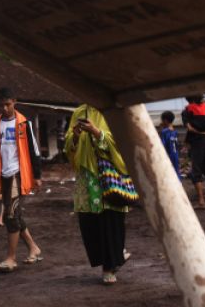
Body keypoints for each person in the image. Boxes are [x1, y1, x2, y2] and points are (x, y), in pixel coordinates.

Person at [66, 104, 130, 286]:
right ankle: (115, 255)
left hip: (109, 173)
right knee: (90, 222)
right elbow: (68, 144)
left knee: (111, 219)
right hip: (87, 176)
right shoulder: (78, 112)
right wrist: (76, 136)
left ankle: (109, 267)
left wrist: (96, 132)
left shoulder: (114, 111)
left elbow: (122, 140)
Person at [0, 87, 43, 272]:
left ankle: (11, 258)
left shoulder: (23, 123)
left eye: (8, 104)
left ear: (15, 102)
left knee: (11, 215)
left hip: (18, 174)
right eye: (1, 105)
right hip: (3, 175)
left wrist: (37, 175)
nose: (4, 108)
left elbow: (34, 150)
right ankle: (33, 248)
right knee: (15, 214)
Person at [182, 96, 205, 209]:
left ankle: (201, 201)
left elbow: (190, 128)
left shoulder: (187, 110)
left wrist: (199, 132)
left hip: (197, 144)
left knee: (196, 172)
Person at [158, 111, 181, 180]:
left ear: (165, 120)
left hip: (168, 155)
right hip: (175, 155)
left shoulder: (164, 132)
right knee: (176, 172)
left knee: (168, 174)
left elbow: (161, 145)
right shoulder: (174, 132)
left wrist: (160, 131)